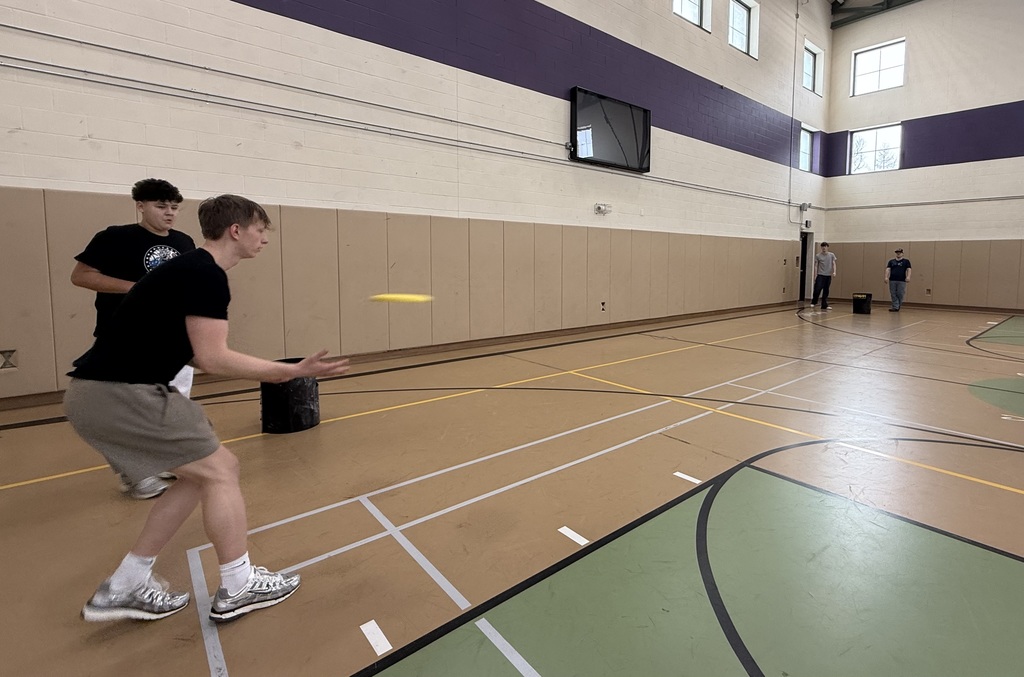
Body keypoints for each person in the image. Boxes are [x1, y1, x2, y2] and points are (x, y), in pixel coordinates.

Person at [65, 194, 350, 623]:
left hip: (95, 394)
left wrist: (277, 371)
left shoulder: (186, 271)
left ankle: (125, 585)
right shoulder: (204, 274)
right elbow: (214, 358)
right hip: (123, 392)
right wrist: (286, 372)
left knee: (197, 476)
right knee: (221, 470)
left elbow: (196, 355)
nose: (264, 239)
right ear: (236, 230)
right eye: (260, 229)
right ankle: (239, 586)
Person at [71, 178, 196, 500]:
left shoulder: (184, 242)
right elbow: (81, 276)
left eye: (174, 208)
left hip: (170, 339)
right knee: (124, 411)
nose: (168, 213)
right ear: (140, 205)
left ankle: (159, 461)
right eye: (160, 206)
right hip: (125, 338)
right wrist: (137, 289)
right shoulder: (115, 238)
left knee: (171, 407)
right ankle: (133, 473)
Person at [810, 242, 837, 310]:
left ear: (827, 247)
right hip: (820, 274)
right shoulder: (818, 255)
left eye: (825, 246)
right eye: (822, 247)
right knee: (817, 289)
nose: (824, 248)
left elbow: (833, 263)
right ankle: (814, 302)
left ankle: (824, 305)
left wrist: (834, 272)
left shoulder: (831, 255)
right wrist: (815, 275)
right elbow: (816, 266)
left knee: (826, 290)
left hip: (828, 275)